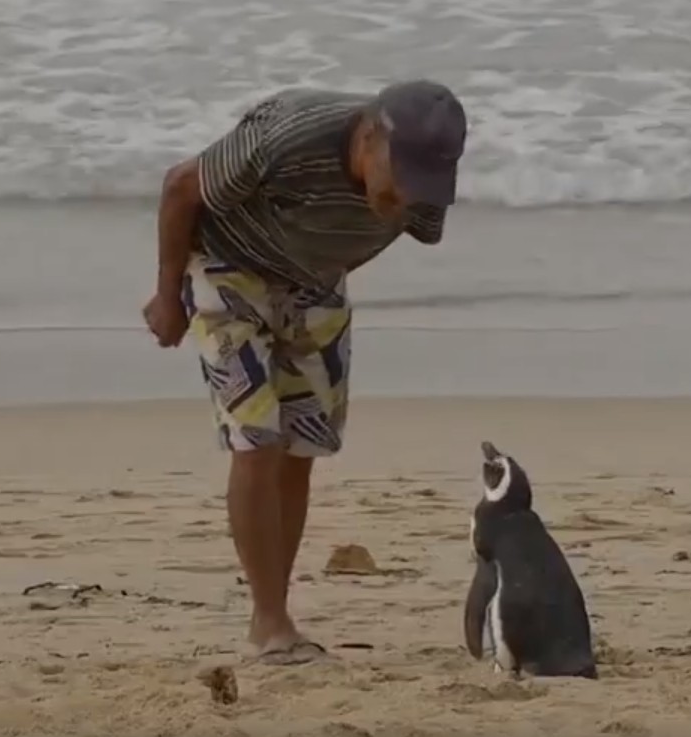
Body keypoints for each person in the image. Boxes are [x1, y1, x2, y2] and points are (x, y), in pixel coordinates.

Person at [142, 80, 468, 665]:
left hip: (316, 282)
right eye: (400, 180)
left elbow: (391, 234)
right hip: (229, 267)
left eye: (424, 186)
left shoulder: (425, 181)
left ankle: (277, 607)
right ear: (369, 136)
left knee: (301, 444)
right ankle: (270, 623)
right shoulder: (287, 137)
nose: (408, 199)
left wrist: (324, 262)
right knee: (258, 439)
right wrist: (167, 295)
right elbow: (179, 187)